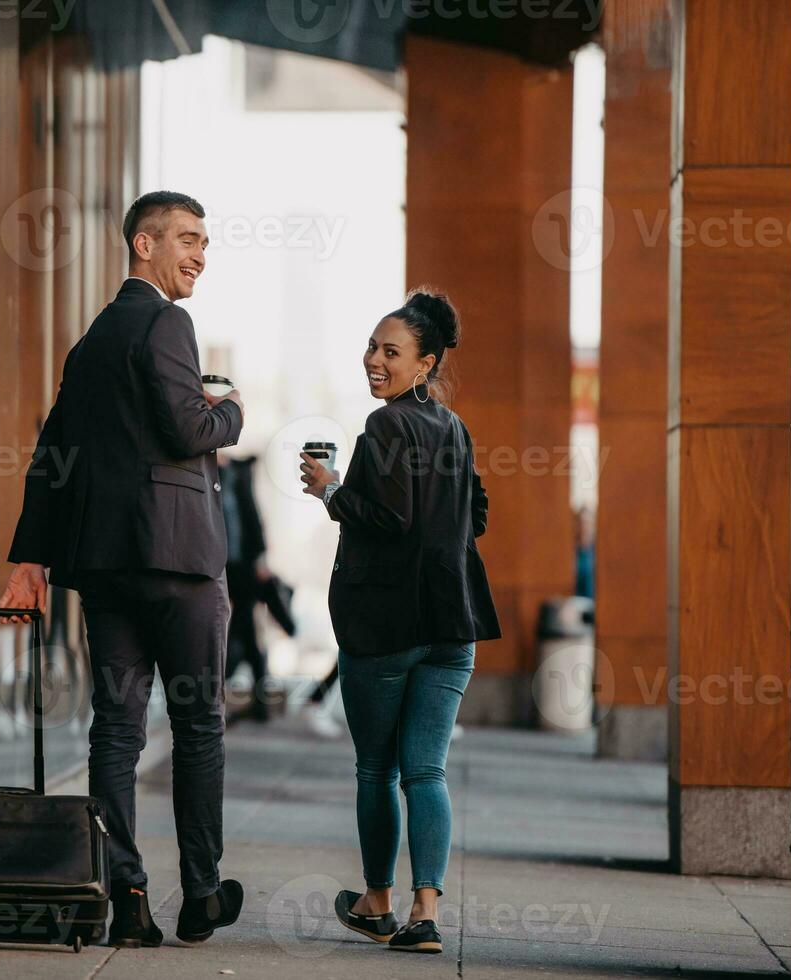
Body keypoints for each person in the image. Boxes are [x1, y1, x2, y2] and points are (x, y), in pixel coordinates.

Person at [0, 191, 246, 948]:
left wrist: (29, 560)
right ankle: (201, 892)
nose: (201, 254)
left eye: (205, 241)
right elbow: (186, 427)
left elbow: (52, 457)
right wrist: (230, 410)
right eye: (188, 239)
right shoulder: (169, 322)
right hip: (178, 559)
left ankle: (127, 896)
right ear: (144, 245)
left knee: (117, 730)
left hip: (105, 567)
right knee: (199, 722)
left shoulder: (92, 339)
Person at [298, 288, 500, 955]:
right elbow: (474, 517)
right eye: (372, 347)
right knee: (427, 772)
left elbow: (387, 518)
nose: (373, 360)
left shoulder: (384, 426)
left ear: (425, 363)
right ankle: (426, 913)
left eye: (391, 352)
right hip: (452, 625)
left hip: (386, 627)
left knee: (376, 770)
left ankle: (378, 901)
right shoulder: (454, 426)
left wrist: (330, 488)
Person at [218, 453, 270, 722]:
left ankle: (256, 700)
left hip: (242, 566)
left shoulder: (238, 471)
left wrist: (260, 558)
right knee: (241, 632)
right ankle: (256, 701)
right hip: (221, 564)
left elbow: (251, 514)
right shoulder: (210, 468)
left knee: (244, 630)